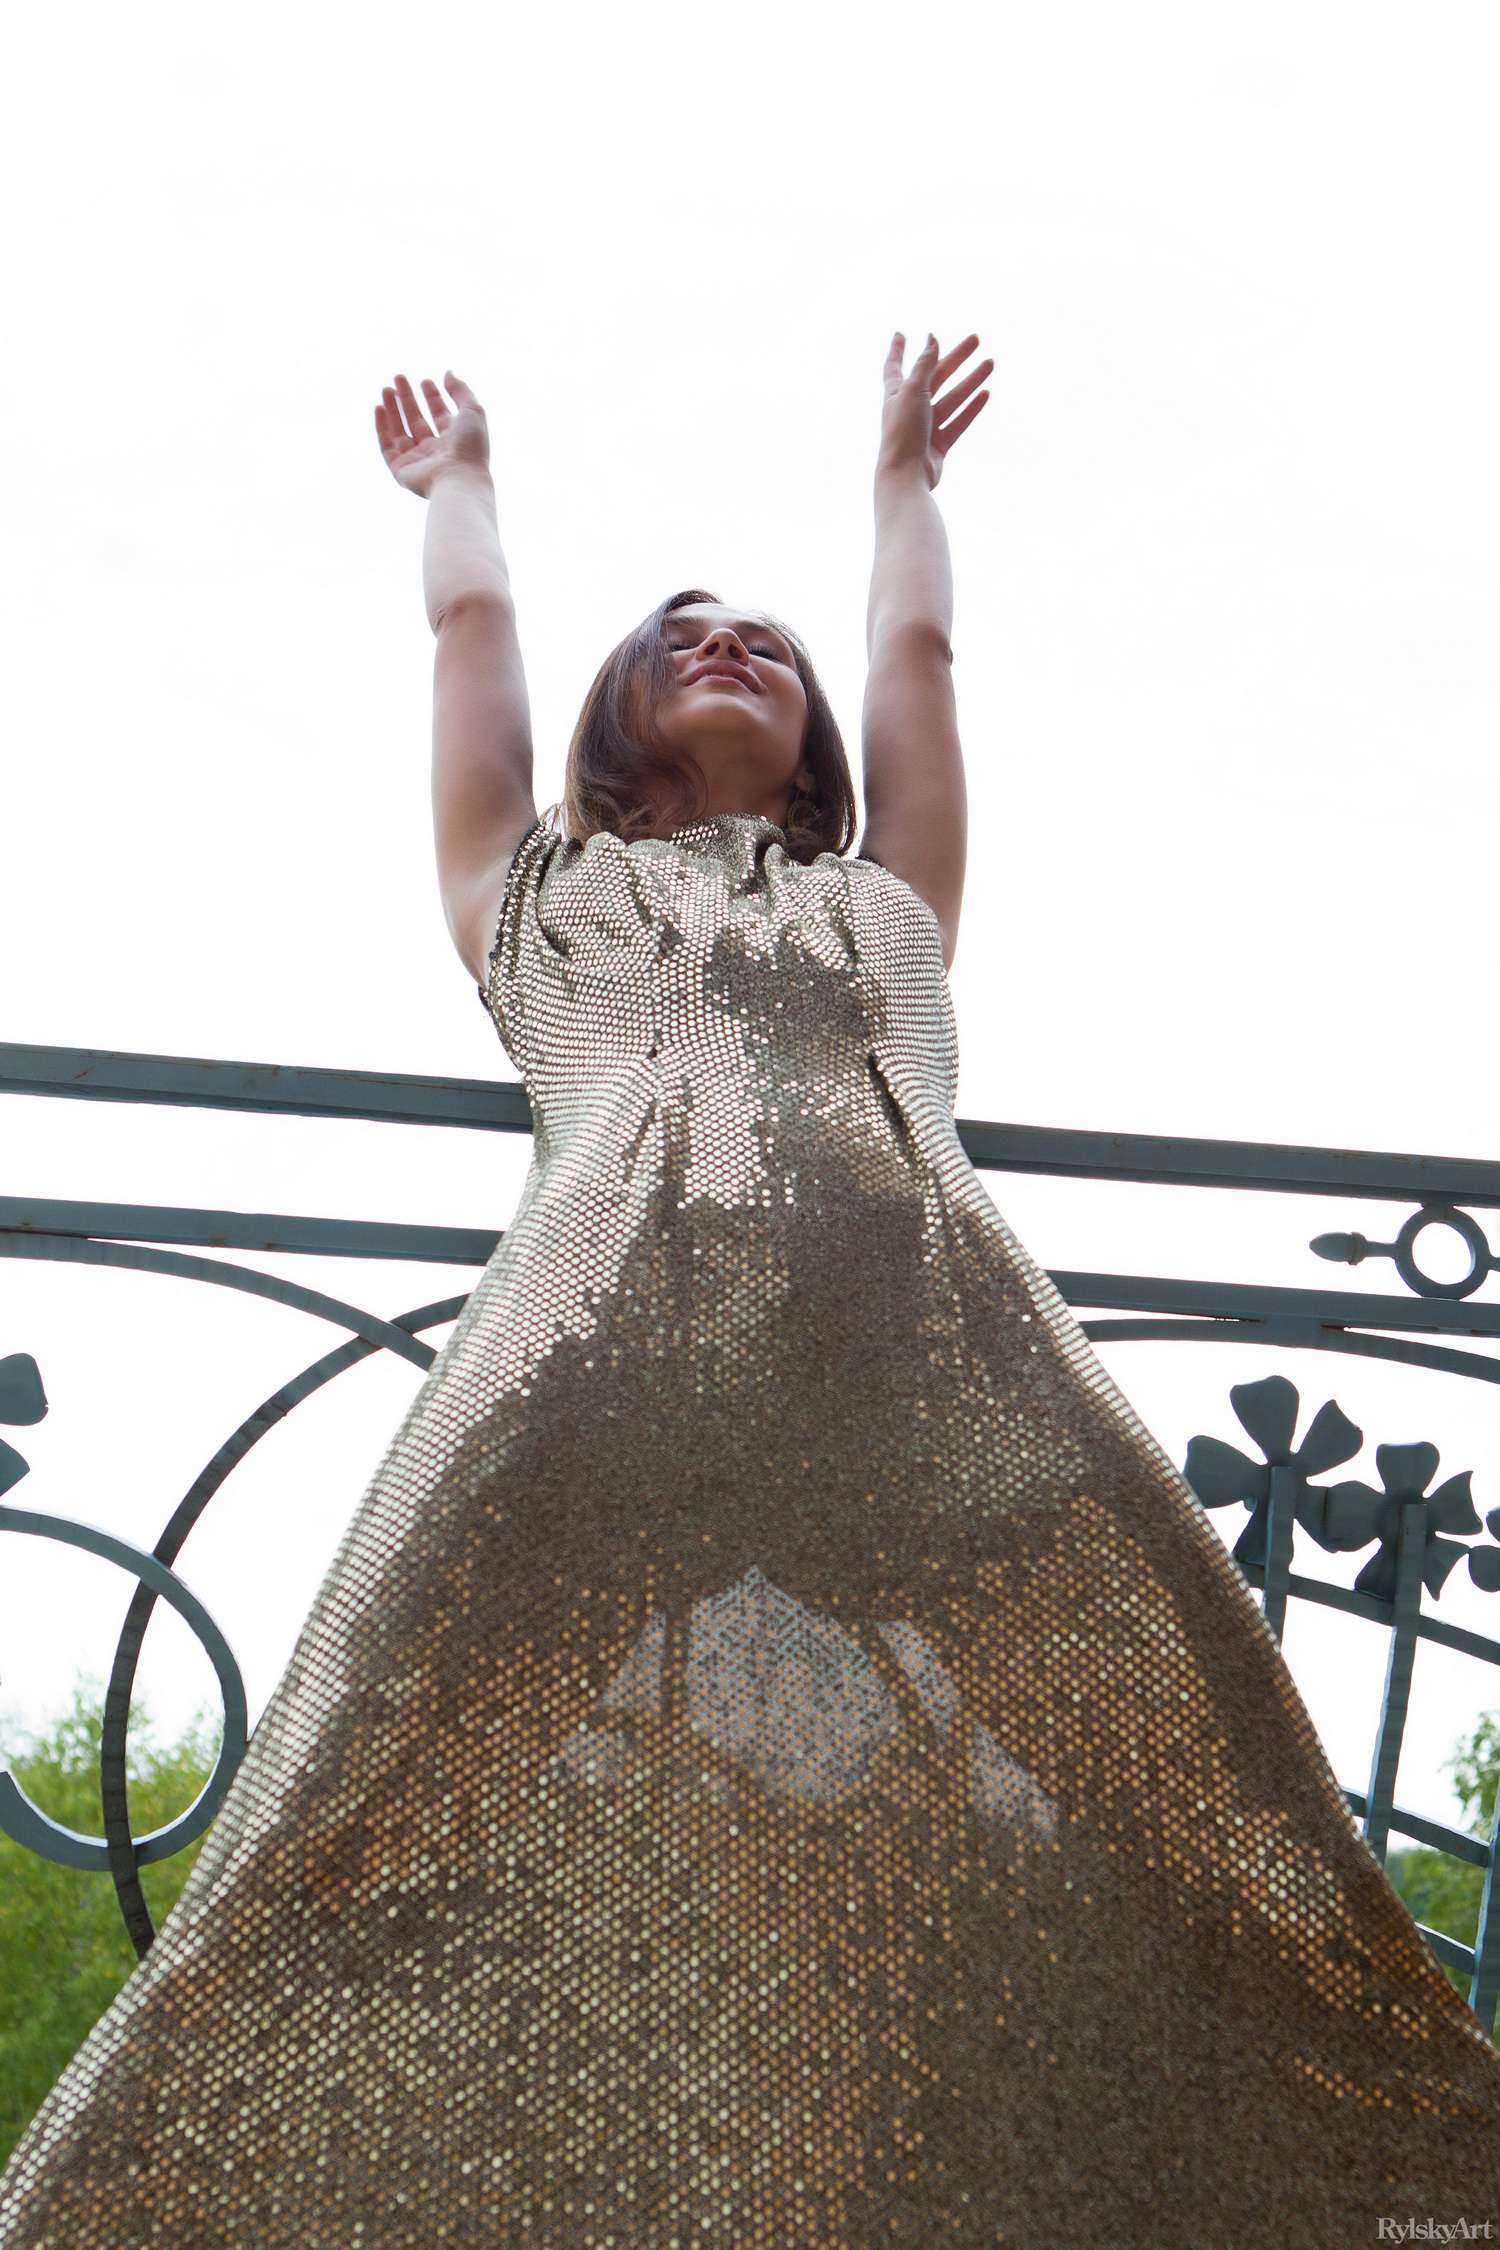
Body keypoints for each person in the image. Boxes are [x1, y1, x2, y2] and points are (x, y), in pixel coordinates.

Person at [2, 340, 1497, 2247]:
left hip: (936, 1379)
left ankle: (1391, 2172)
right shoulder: (531, 894)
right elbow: (470, 628)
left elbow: (918, 656)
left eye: (766, 643)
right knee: (367, 1795)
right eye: (685, 635)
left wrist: (903, 491)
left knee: (1185, 1764)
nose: (729, 645)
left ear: (816, 746)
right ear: (620, 713)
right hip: (587, 1387)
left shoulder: (889, 901)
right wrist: (459, 482)